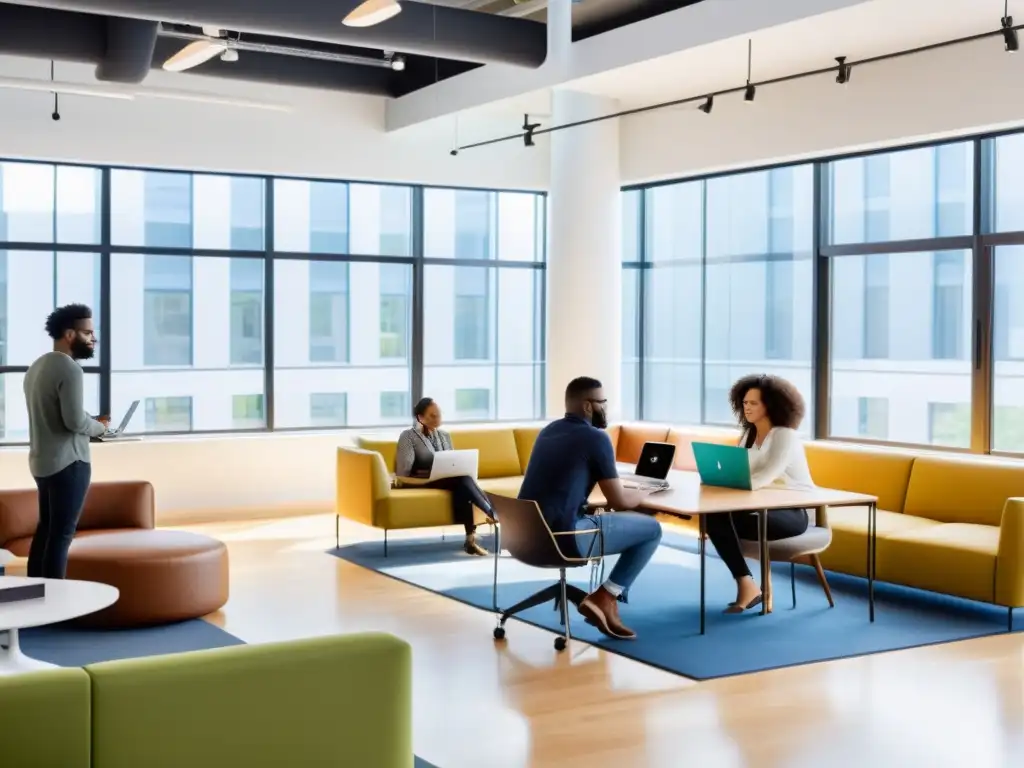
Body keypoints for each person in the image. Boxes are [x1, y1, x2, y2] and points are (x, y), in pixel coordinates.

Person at [518, 376, 663, 641]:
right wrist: (646, 490)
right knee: (652, 529)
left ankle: (606, 598)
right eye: (602, 402)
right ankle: (606, 597)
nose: (606, 408)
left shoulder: (548, 431)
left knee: (633, 521)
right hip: (565, 539)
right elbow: (618, 501)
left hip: (525, 537)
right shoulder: (595, 437)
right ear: (587, 406)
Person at [704, 373, 814, 613]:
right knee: (713, 515)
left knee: (721, 517)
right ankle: (747, 584)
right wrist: (716, 481)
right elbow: (739, 473)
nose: (747, 408)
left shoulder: (785, 435)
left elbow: (763, 478)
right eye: (744, 403)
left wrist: (726, 485)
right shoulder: (748, 435)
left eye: (754, 403)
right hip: (756, 507)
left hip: (791, 513)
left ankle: (749, 587)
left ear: (771, 405)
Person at [23, 304, 110, 579]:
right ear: (70, 334)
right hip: (69, 463)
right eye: (87, 333)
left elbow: (61, 412)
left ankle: (35, 593)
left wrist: (91, 420)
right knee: (62, 535)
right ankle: (55, 601)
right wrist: (101, 428)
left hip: (42, 462)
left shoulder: (38, 366)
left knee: (46, 529)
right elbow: (73, 422)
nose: (92, 339)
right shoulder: (70, 369)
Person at [394, 397, 494, 556]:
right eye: (432, 416)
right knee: (464, 481)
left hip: (445, 480)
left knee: (463, 485)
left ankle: (470, 541)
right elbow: (403, 470)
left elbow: (451, 462)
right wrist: (427, 471)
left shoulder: (444, 436)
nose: (437, 419)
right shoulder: (408, 436)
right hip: (418, 481)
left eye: (439, 415)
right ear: (420, 418)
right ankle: (491, 511)